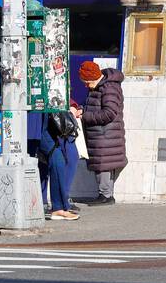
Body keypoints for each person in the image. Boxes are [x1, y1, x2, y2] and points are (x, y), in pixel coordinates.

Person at [79, 61, 126, 205]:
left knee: (103, 164)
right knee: (104, 164)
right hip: (104, 134)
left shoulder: (108, 87)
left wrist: (85, 116)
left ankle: (105, 195)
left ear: (93, 77)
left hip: (105, 135)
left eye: (86, 82)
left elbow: (109, 113)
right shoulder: (100, 87)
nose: (85, 85)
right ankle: (106, 194)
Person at [39, 101, 83, 221]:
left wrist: (72, 105)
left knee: (55, 161)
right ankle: (56, 207)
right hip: (36, 122)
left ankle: (57, 207)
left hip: (45, 121)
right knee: (55, 161)